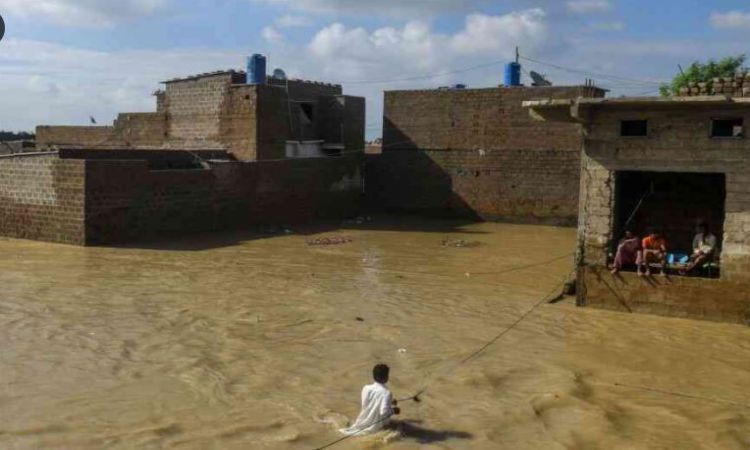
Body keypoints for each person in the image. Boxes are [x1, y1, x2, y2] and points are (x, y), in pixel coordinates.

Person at [339, 364, 400, 436]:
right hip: (375, 427)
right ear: (386, 377)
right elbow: (383, 412)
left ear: (373, 376)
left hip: (362, 421)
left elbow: (366, 404)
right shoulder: (386, 393)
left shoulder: (366, 388)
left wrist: (389, 402)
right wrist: (393, 410)